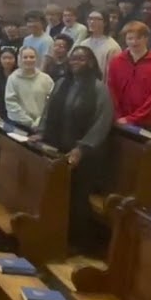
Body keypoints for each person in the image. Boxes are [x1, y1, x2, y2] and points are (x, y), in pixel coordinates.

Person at [35, 45, 114, 253]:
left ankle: (77, 243)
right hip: (57, 148)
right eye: (73, 58)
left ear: (90, 62)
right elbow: (48, 110)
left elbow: (102, 123)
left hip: (85, 156)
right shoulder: (62, 83)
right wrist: (41, 132)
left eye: (81, 59)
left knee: (77, 200)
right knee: (54, 195)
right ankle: (53, 238)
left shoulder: (99, 89)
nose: (75, 62)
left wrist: (81, 148)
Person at [107, 21, 151, 128]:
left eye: (138, 38)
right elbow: (112, 90)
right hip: (120, 119)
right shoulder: (116, 62)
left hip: (149, 120)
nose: (134, 42)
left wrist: (133, 118)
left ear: (146, 38)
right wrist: (119, 116)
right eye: (130, 38)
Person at [5, 46, 54, 130]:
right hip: (19, 125)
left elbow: (51, 102)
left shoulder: (46, 79)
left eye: (32, 57)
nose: (28, 60)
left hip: (42, 125)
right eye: (25, 57)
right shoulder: (12, 79)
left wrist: (39, 122)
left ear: (36, 59)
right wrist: (29, 123)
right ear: (20, 59)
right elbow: (11, 103)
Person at [79, 10, 122, 77]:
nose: (92, 22)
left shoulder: (112, 46)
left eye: (97, 19)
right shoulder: (83, 44)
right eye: (90, 19)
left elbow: (113, 74)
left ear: (105, 22)